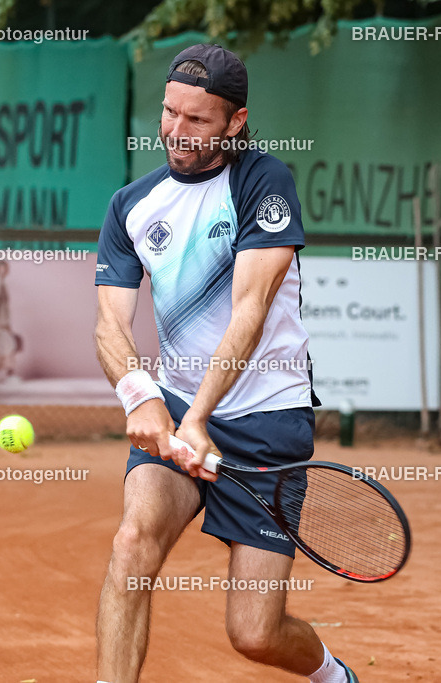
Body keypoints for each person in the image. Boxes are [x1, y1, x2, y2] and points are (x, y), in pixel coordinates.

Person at [93, 44, 357, 683]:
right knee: (133, 543)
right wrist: (142, 396)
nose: (176, 133)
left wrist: (199, 419)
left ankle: (334, 677)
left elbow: (249, 312)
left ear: (235, 122)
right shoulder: (132, 204)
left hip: (268, 419)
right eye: (169, 113)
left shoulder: (263, 184)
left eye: (198, 120)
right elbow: (110, 325)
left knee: (255, 634)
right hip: (179, 405)